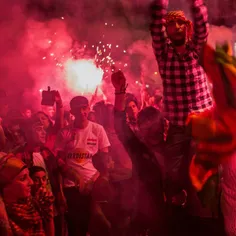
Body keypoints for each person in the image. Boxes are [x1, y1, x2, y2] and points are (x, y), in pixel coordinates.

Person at [150, 0, 213, 213]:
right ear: (166, 30)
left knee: (205, 168)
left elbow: (203, 27)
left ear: (187, 27)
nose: (176, 27)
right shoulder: (163, 54)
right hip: (177, 125)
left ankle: (209, 209)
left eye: (180, 24)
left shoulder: (197, 49)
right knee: (173, 171)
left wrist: (196, 3)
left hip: (202, 121)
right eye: (171, 24)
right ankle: (178, 207)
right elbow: (155, 26)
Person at [55, 96, 110, 236]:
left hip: (94, 186)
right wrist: (71, 180)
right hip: (71, 187)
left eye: (84, 108)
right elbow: (59, 162)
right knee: (76, 227)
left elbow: (105, 161)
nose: (82, 112)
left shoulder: (98, 130)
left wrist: (92, 182)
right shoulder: (65, 132)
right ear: (72, 111)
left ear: (88, 108)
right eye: (78, 109)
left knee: (96, 226)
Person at [0, 154, 54, 235]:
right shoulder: (4, 217)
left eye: (29, 176)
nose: (31, 182)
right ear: (5, 186)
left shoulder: (31, 205)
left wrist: (48, 212)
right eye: (23, 178)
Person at [90, 152, 130, 236]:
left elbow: (128, 173)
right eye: (110, 160)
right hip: (104, 230)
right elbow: (97, 210)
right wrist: (109, 225)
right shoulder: (101, 184)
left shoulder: (109, 180)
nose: (113, 162)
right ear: (106, 165)